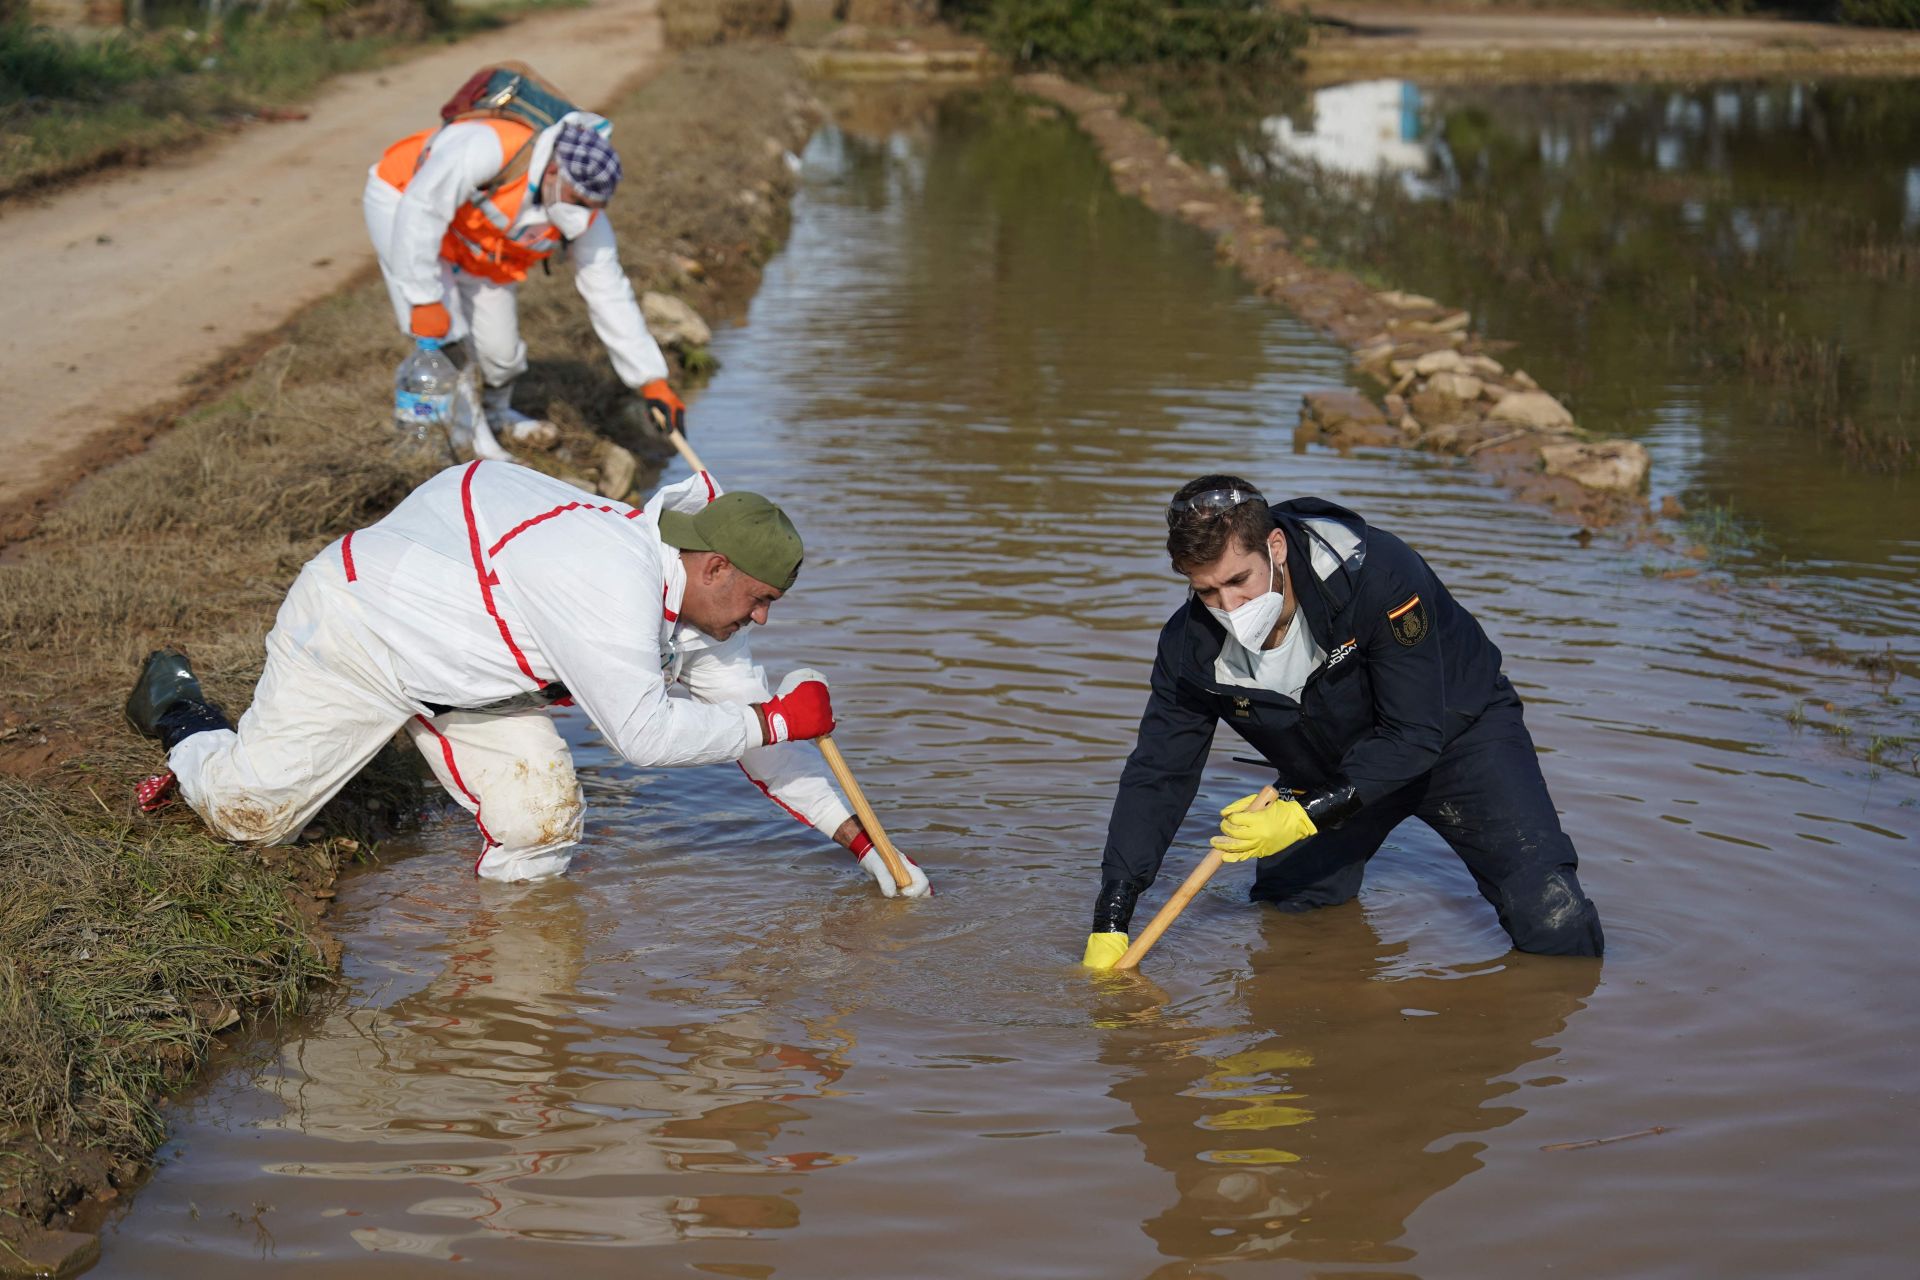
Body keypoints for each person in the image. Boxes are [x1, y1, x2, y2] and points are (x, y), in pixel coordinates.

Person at [124, 460, 931, 896]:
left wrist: (862, 842)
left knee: (542, 824)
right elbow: (646, 737)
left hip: (470, 675)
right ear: (716, 565)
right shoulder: (606, 578)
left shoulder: (696, 606)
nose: (762, 622)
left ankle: (503, 1012)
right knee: (249, 819)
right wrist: (780, 719)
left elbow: (759, 742)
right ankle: (181, 710)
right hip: (356, 632)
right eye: (760, 601)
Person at [1082, 474, 1601, 967]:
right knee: (1289, 913)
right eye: (1206, 591)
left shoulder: (1378, 575)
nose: (1229, 606)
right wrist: (1112, 915)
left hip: (1457, 741)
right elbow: (1158, 773)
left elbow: (1415, 734)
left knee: (1553, 919)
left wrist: (1302, 816)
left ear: (1276, 548)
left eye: (1239, 581)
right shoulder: (1188, 650)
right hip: (1327, 768)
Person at [363, 107, 686, 456]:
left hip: (478, 242)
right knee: (448, 341)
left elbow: (609, 293)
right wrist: (424, 297)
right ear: (552, 171)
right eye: (577, 201)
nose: (580, 218)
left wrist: (652, 381)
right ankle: (475, 443)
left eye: (592, 207)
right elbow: (422, 208)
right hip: (405, 202)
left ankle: (497, 414)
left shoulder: (586, 219)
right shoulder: (491, 149)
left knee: (502, 354)